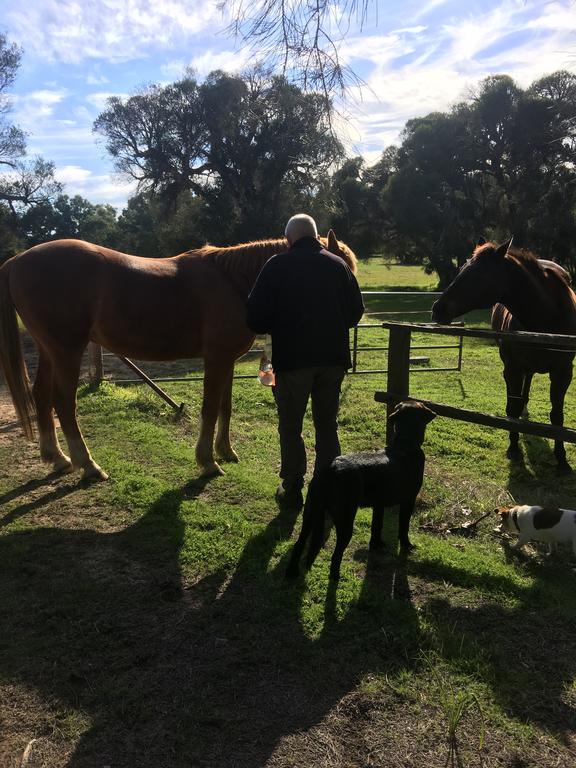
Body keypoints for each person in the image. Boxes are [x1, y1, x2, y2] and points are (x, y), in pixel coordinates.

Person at [246, 213, 365, 509]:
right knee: (327, 424)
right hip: (333, 362)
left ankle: (293, 486)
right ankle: (326, 486)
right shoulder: (338, 265)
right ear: (316, 236)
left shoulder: (276, 266)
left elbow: (255, 319)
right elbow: (355, 313)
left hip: (292, 363)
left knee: (290, 425)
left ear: (289, 238)